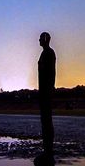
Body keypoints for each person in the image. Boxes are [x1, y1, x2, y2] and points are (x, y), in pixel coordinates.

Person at [37, 31, 56, 159]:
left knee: (47, 119)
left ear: (45, 40)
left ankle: (48, 148)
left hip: (46, 90)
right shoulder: (45, 53)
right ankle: (47, 147)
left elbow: (52, 72)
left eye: (40, 39)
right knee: (45, 119)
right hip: (44, 90)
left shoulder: (49, 53)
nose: (38, 41)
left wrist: (49, 88)